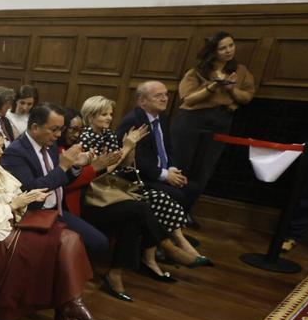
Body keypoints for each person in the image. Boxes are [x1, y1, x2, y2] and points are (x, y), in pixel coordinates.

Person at [0, 126, 105, 320]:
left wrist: (29, 197)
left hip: (13, 225)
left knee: (69, 238)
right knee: (62, 242)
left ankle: (71, 305)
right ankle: (68, 307)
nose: (1, 152)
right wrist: (14, 204)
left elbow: (15, 198)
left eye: (2, 147)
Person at [80, 96, 209, 269]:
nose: (109, 118)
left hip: (117, 183)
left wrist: (131, 147)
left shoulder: (108, 134)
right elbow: (101, 171)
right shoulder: (87, 138)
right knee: (149, 203)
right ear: (90, 116)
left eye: (110, 114)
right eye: (104, 114)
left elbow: (126, 165)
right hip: (100, 189)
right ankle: (165, 252)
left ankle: (167, 248)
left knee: (161, 199)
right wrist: (125, 147)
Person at [0, 104, 109, 260]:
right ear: (35, 127)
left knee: (99, 243)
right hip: (31, 215)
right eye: (54, 129)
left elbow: (61, 180)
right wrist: (64, 166)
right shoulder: (15, 153)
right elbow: (32, 191)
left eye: (61, 129)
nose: (58, 135)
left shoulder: (49, 145)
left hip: (56, 211)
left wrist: (75, 165)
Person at [173, 31, 257, 195]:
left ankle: (185, 211)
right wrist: (214, 86)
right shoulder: (197, 71)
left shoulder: (241, 71)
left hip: (220, 120)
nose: (228, 51)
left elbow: (246, 97)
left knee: (204, 169)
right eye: (222, 48)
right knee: (180, 166)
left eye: (231, 45)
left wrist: (231, 89)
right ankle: (170, 208)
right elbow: (188, 99)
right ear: (213, 51)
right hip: (192, 120)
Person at [118, 81, 203, 214]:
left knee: (193, 188)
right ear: (142, 101)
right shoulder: (133, 121)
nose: (164, 99)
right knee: (177, 195)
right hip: (141, 176)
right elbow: (135, 159)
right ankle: (164, 229)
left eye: (165, 94)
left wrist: (172, 169)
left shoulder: (162, 118)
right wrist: (165, 175)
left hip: (161, 171)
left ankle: (179, 221)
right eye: (158, 96)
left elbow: (168, 149)